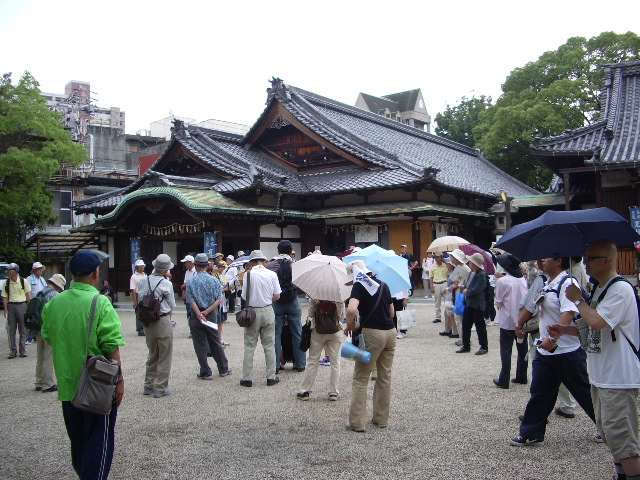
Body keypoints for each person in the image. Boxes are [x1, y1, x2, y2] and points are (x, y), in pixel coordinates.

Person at [551, 240, 640, 480]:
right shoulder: (600, 289)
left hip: (618, 376)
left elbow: (598, 321)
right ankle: (621, 474)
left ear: (606, 261)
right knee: (609, 433)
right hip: (602, 375)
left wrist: (578, 299)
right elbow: (592, 329)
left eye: (590, 258)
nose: (585, 262)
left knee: (623, 437)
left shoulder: (620, 289)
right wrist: (565, 330)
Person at [41, 250, 125, 480]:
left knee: (78, 441)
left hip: (68, 382)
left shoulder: (54, 303)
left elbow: (48, 335)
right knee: (99, 441)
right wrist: (120, 379)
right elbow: (111, 345)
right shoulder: (100, 302)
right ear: (96, 274)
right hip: (97, 384)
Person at [511, 255, 595, 447]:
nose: (540, 261)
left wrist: (553, 338)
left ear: (558, 260)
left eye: (546, 257)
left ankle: (606, 427)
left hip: (567, 350)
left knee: (584, 393)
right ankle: (531, 432)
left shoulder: (567, 281)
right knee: (540, 392)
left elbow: (569, 312)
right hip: (546, 350)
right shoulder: (548, 282)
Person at [345, 260, 396, 432]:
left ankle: (357, 422)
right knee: (384, 376)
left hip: (372, 334)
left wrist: (348, 325)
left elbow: (352, 309)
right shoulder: (384, 285)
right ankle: (381, 419)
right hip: (390, 333)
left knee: (361, 378)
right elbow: (392, 312)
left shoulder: (359, 285)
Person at [186, 253, 232, 380]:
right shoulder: (214, 280)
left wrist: (199, 313)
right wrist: (207, 311)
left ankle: (205, 371)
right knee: (215, 340)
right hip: (211, 314)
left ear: (195, 266)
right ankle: (223, 368)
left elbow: (191, 300)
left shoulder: (191, 282)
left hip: (196, 315)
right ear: (208, 266)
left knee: (199, 343)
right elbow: (218, 299)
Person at [240, 250, 281, 387]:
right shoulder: (272, 274)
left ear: (251, 262)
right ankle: (271, 377)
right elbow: (277, 296)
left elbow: (244, 297)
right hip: (268, 310)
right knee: (269, 345)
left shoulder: (248, 275)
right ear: (263, 261)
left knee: (249, 345)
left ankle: (247, 378)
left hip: (252, 312)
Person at [137, 254, 176, 398]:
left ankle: (148, 384)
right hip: (162, 319)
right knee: (165, 354)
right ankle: (160, 387)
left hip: (147, 320)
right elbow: (171, 304)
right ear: (166, 269)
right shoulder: (166, 283)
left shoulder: (143, 281)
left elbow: (140, 298)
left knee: (152, 352)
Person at [267, 239, 305, 373]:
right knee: (297, 332)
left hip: (277, 301)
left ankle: (276, 365)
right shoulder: (296, 265)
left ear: (278, 251)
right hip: (293, 300)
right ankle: (300, 363)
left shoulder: (271, 266)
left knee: (275, 334)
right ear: (291, 251)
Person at [297, 299, 344, 401]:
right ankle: (333, 392)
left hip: (318, 331)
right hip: (335, 332)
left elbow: (310, 313)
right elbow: (341, 316)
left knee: (312, 360)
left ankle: (305, 390)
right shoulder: (338, 295)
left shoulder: (316, 295)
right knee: (335, 362)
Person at [493, 255, 528, 388]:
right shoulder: (522, 280)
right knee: (522, 349)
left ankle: (504, 379)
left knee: (506, 350)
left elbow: (499, 301)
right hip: (522, 318)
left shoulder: (502, 281)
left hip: (508, 319)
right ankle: (522, 375)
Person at [34, 273, 66, 393]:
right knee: (48, 357)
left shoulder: (40, 292)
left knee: (40, 357)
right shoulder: (54, 295)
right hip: (48, 330)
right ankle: (48, 383)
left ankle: (38, 381)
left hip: (37, 328)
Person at [456, 253, 489, 355]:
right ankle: (466, 345)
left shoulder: (481, 275)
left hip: (477, 303)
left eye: (471, 262)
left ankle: (484, 346)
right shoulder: (471, 273)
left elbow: (478, 289)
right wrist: (463, 286)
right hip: (469, 302)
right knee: (466, 324)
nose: (469, 263)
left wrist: (468, 291)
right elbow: (468, 284)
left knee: (480, 325)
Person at [2, 263, 32, 358]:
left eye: (10, 270)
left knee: (23, 329)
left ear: (16, 271)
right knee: (11, 329)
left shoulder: (24, 281)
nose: (8, 272)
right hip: (11, 305)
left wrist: (30, 309)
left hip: (22, 305)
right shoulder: (6, 283)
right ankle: (13, 351)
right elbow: (5, 297)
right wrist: (6, 309)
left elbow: (28, 295)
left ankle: (22, 350)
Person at [448, 249, 471, 336]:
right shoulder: (459, 267)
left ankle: (464, 338)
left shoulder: (465, 269)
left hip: (461, 294)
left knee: (461, 317)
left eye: (453, 258)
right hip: (457, 293)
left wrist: (457, 285)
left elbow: (466, 283)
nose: (452, 259)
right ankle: (462, 337)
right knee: (458, 317)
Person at [26, 262, 47, 344]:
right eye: (39, 269)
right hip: (33, 302)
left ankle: (37, 336)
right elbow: (28, 291)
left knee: (40, 319)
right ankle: (29, 338)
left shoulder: (42, 279)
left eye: (41, 269)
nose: (41, 270)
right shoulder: (29, 279)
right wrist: (30, 302)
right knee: (32, 319)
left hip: (41, 301)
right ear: (34, 270)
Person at [130, 259, 147, 336]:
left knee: (145, 311)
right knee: (138, 312)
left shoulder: (145, 275)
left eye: (143, 266)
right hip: (137, 294)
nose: (142, 267)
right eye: (141, 266)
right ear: (137, 267)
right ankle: (140, 329)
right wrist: (135, 301)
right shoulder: (134, 276)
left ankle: (145, 328)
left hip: (145, 294)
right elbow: (133, 289)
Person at [429, 253, 448, 324]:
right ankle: (438, 317)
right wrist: (431, 287)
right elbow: (431, 277)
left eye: (438, 257)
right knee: (437, 302)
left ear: (441, 257)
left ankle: (447, 315)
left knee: (447, 300)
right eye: (435, 257)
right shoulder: (433, 266)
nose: (436, 259)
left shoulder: (445, 266)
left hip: (444, 283)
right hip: (436, 284)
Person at [180, 254, 196, 325]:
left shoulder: (195, 271)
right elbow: (185, 283)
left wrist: (185, 285)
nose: (185, 264)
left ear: (190, 262)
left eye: (186, 262)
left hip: (194, 295)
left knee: (193, 313)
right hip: (188, 295)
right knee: (189, 312)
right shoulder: (187, 272)